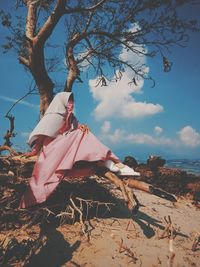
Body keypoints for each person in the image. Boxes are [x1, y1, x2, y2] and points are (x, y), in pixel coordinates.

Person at [20, 92, 140, 208]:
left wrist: (81, 126)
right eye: (68, 100)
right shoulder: (52, 116)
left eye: (72, 101)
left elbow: (76, 126)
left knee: (83, 133)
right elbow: (42, 135)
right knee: (78, 134)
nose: (71, 103)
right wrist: (34, 151)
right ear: (61, 101)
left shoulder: (70, 116)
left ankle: (108, 162)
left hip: (65, 144)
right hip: (53, 147)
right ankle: (109, 162)